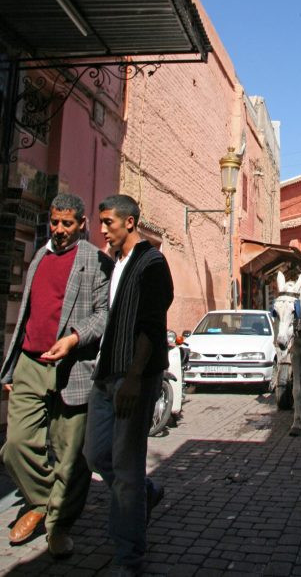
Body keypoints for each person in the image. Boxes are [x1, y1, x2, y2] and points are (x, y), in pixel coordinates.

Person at [0, 193, 113, 557]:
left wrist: (74, 338)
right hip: (31, 362)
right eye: (54, 222)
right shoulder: (39, 256)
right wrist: (13, 363)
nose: (59, 230)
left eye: (67, 223)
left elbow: (104, 314)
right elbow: (31, 311)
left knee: (70, 455)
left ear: (82, 224)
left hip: (73, 365)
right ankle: (43, 499)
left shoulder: (96, 261)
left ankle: (58, 525)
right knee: (15, 444)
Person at [83, 194, 174, 577]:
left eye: (109, 223)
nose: (103, 230)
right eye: (102, 222)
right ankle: (145, 494)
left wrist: (135, 377)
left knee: (126, 467)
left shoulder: (152, 263)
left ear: (130, 223)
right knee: (95, 454)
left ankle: (128, 557)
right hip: (105, 375)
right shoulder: (114, 263)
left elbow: (152, 324)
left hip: (133, 376)